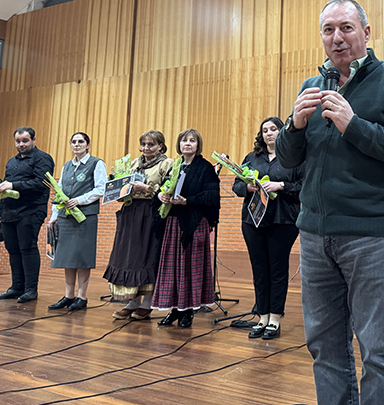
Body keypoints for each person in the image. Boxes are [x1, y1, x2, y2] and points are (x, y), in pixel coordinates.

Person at [276, 0, 384, 405]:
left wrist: (354, 124)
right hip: (313, 235)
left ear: (366, 31)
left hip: (370, 236)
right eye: (328, 29)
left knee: (377, 351)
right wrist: (293, 125)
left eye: (346, 27)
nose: (336, 37)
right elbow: (289, 160)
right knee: (324, 345)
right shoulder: (313, 84)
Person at [233, 117, 304, 340]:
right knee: (259, 269)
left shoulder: (294, 157)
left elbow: (304, 186)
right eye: (265, 130)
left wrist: (281, 185)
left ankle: (275, 319)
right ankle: (262, 316)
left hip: (283, 220)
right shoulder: (251, 158)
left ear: (282, 131)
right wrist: (247, 186)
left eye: (274, 129)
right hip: (253, 220)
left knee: (277, 269)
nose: (269, 133)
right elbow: (236, 185)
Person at [103, 130, 174, 320]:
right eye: (143, 144)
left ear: (160, 146)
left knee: (147, 255)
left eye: (151, 144)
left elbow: (169, 190)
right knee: (129, 256)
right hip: (130, 212)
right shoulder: (133, 163)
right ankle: (132, 301)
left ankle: (147, 302)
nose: (146, 148)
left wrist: (147, 189)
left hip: (151, 213)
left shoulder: (167, 164)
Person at [152, 128, 220, 328]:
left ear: (198, 145)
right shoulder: (175, 166)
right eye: (184, 141)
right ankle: (175, 308)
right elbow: (164, 188)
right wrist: (161, 196)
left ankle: (189, 310)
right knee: (173, 269)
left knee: (190, 269)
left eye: (192, 140)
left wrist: (187, 201)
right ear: (178, 145)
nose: (187, 144)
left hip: (194, 224)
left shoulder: (205, 168)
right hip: (173, 224)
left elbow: (212, 197)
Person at [0, 127, 55, 303]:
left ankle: (30, 290)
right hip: (10, 212)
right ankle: (16, 287)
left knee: (27, 248)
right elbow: (4, 188)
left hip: (31, 210)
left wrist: (14, 185)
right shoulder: (11, 162)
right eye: (18, 141)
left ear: (34, 140)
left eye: (25, 141)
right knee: (13, 249)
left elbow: (42, 183)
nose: (21, 144)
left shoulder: (43, 158)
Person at [47, 132, 108, 311]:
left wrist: (79, 200)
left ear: (88, 145)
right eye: (73, 142)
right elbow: (60, 192)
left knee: (82, 258)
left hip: (85, 218)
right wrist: (54, 216)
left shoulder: (96, 163)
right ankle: (68, 296)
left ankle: (82, 297)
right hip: (66, 217)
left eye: (80, 141)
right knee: (68, 258)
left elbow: (100, 189)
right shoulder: (67, 165)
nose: (77, 144)